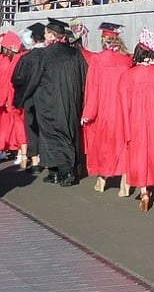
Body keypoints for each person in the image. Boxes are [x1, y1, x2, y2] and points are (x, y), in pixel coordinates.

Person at [19, 19, 88, 186]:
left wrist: (23, 97)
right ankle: (55, 172)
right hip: (71, 101)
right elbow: (85, 77)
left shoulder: (44, 55)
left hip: (49, 102)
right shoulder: (75, 54)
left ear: (51, 35)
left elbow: (33, 80)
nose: (45, 36)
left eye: (46, 34)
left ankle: (64, 171)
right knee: (69, 133)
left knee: (53, 136)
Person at [116, 29, 154, 210]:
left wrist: (124, 127)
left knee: (138, 153)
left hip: (135, 121)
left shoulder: (128, 75)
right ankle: (149, 186)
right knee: (153, 152)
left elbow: (123, 104)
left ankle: (143, 190)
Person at [80, 22, 133, 195]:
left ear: (104, 40)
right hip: (124, 111)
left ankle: (102, 180)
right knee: (124, 145)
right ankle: (125, 183)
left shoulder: (98, 60)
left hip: (105, 110)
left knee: (104, 146)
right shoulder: (128, 59)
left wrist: (88, 112)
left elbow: (93, 89)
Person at [10, 21, 46, 172]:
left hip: (31, 98)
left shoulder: (27, 57)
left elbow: (17, 79)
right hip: (48, 97)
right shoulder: (50, 55)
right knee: (46, 128)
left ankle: (36, 161)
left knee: (32, 128)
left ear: (33, 39)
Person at [0, 30, 27, 165]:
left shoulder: (7, 61)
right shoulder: (18, 58)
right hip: (13, 98)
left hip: (12, 98)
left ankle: (20, 153)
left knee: (15, 126)